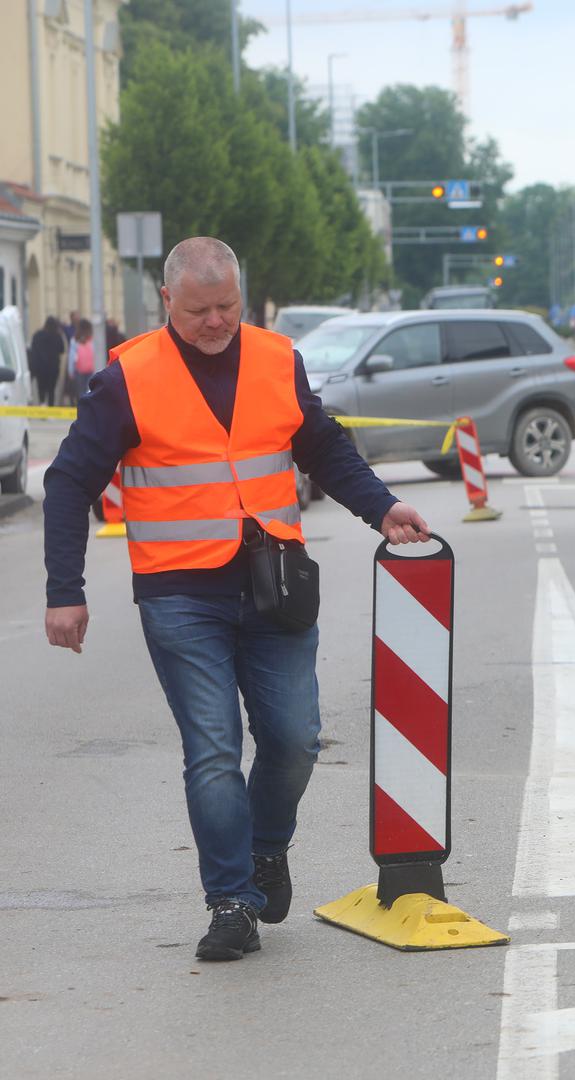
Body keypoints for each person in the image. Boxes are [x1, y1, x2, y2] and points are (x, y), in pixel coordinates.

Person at [42, 237, 432, 962]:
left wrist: (382, 508)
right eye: (199, 311)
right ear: (167, 303)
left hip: (274, 584)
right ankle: (230, 902)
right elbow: (67, 484)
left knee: (294, 739)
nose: (217, 322)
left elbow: (322, 447)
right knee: (214, 751)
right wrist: (65, 590)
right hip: (180, 593)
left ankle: (266, 849)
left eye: (227, 306)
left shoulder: (278, 358)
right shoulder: (128, 377)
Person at [28, 316, 64, 407]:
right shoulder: (57, 335)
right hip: (53, 367)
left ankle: (42, 404)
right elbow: (62, 349)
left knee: (41, 387)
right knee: (51, 389)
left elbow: (33, 349)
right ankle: (51, 408)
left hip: (40, 367)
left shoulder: (37, 335)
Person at [69, 319, 94, 401]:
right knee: (90, 390)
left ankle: (82, 409)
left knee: (81, 391)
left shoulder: (75, 340)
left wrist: (70, 371)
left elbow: (72, 357)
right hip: (91, 369)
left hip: (79, 370)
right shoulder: (92, 339)